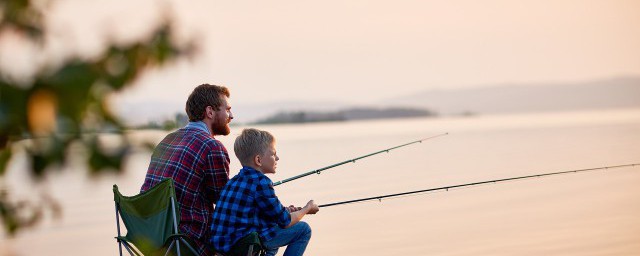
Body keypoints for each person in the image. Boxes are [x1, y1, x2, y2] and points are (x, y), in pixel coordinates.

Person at [140, 84, 234, 256]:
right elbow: (225, 204)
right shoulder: (212, 147)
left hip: (153, 239)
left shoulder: (168, 140)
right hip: (187, 243)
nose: (232, 116)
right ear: (210, 112)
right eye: (227, 110)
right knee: (256, 233)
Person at [210, 128, 319, 256]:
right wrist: (307, 208)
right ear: (258, 160)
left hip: (223, 247)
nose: (277, 158)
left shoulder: (233, 181)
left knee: (271, 226)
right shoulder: (261, 182)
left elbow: (256, 211)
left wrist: (284, 210)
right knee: (303, 230)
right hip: (242, 247)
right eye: (273, 154)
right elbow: (286, 221)